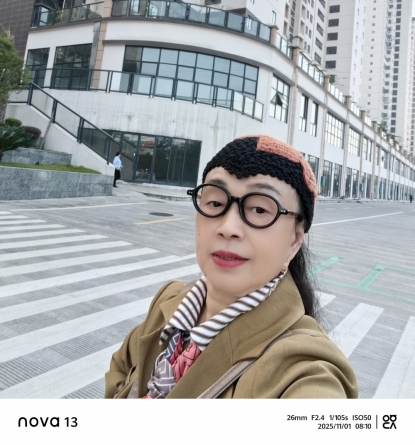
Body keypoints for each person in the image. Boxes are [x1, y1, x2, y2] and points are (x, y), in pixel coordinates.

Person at [105, 135, 358, 399]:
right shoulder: (169, 300)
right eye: (215, 203)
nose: (228, 227)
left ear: (294, 239)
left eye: (259, 209)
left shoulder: (303, 370)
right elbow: (120, 369)